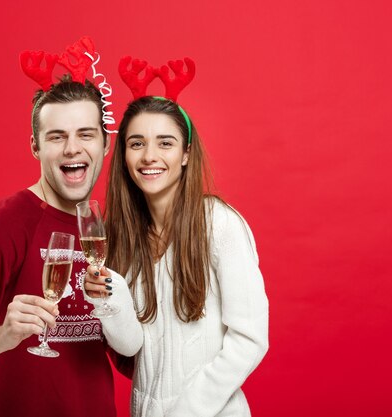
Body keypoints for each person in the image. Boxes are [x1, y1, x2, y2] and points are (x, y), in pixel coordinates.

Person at [0, 39, 141, 417]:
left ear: (105, 145)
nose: (72, 148)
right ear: (35, 146)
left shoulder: (104, 231)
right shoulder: (5, 223)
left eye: (86, 134)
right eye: (57, 136)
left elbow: (124, 354)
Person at [84, 58, 269, 416]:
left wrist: (187, 411)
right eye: (136, 144)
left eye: (165, 143)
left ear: (185, 154)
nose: (149, 156)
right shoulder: (125, 235)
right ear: (123, 156)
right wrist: (110, 299)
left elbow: (250, 338)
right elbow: (130, 346)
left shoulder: (217, 223)